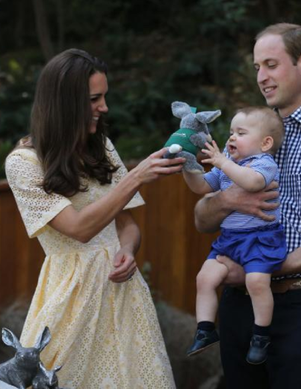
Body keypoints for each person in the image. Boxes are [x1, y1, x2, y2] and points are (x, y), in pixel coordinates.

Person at [193, 23, 301, 389]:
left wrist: (264, 270)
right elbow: (201, 217)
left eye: (271, 65)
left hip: (297, 307)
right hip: (236, 307)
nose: (262, 77)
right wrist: (227, 199)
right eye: (257, 67)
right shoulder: (246, 135)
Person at [5, 48, 184, 389]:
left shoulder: (101, 147)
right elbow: (79, 229)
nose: (104, 107)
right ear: (64, 102)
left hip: (122, 295)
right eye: (94, 99)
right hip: (69, 298)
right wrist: (135, 176)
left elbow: (127, 224)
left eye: (105, 97)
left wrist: (129, 252)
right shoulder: (23, 163)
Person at [184, 107, 287, 365]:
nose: (231, 138)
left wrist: (222, 162)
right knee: (204, 277)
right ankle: (205, 329)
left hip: (260, 238)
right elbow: (201, 187)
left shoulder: (263, 164)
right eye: (231, 132)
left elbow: (252, 183)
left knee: (256, 282)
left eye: (240, 133)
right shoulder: (228, 167)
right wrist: (188, 165)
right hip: (230, 240)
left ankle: (261, 334)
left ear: (265, 143)